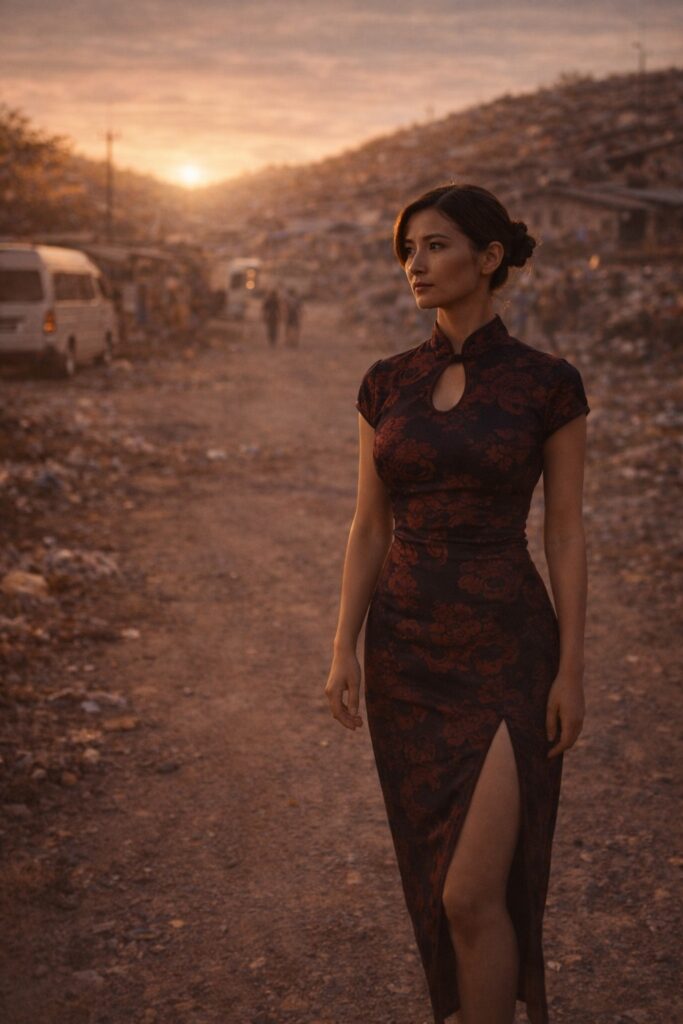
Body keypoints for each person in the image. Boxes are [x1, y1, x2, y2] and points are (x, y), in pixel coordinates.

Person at [325, 183, 590, 1024]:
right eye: (407, 250)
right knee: (440, 889)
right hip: (404, 657)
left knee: (477, 890)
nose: (415, 264)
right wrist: (343, 650)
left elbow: (567, 535)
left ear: (489, 258)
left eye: (435, 246)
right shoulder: (385, 382)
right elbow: (368, 529)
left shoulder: (547, 383)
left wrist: (572, 672)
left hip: (508, 649)